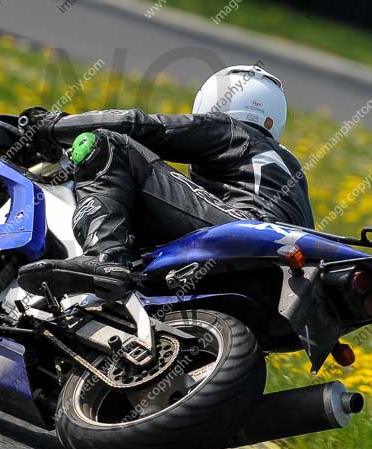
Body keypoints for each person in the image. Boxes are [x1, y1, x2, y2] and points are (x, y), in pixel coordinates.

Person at [16, 64, 315, 297]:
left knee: (106, 144)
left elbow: (138, 126)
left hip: (243, 230)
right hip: (282, 266)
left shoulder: (230, 129)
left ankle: (104, 257)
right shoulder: (290, 165)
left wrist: (50, 125)